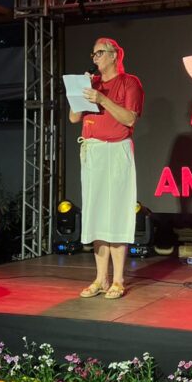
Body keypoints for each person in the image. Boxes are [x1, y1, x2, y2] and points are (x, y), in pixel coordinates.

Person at [69, 37, 144, 299]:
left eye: (99, 53)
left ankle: (119, 279)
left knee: (117, 213)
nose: (95, 58)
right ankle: (101, 278)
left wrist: (102, 99)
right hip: (92, 150)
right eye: (93, 54)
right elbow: (74, 118)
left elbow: (129, 119)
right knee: (96, 213)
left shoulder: (129, 82)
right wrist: (78, 92)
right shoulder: (92, 83)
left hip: (116, 150)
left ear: (114, 55)